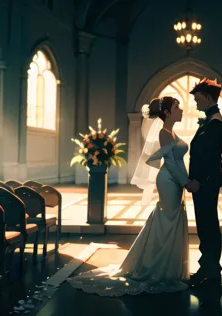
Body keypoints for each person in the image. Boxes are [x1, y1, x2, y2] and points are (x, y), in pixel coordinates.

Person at [67, 96, 192, 296]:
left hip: (173, 181)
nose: (182, 110)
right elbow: (169, 163)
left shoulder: (170, 132)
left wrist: (184, 181)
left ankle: (168, 266)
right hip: (169, 181)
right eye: (177, 107)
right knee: (167, 221)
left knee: (169, 220)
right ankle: (157, 268)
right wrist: (187, 182)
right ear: (167, 112)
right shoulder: (165, 133)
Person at [186, 78, 222, 288]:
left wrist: (198, 181)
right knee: (205, 225)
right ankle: (209, 268)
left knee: (208, 225)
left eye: (198, 98)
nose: (195, 102)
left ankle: (210, 270)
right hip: (203, 183)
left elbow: (210, 158)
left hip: (206, 183)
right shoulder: (210, 120)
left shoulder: (215, 123)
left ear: (209, 98)